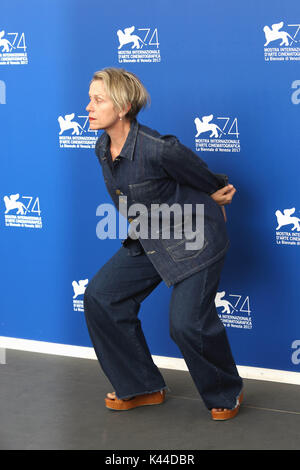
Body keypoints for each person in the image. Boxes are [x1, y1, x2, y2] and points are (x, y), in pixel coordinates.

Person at [83, 67, 243, 421]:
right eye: (89, 99)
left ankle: (225, 390)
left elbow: (204, 178)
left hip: (195, 239)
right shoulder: (102, 147)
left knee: (186, 323)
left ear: (123, 107)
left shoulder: (159, 149)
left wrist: (214, 195)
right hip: (152, 237)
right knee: (100, 296)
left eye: (98, 100)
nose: (88, 107)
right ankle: (142, 386)